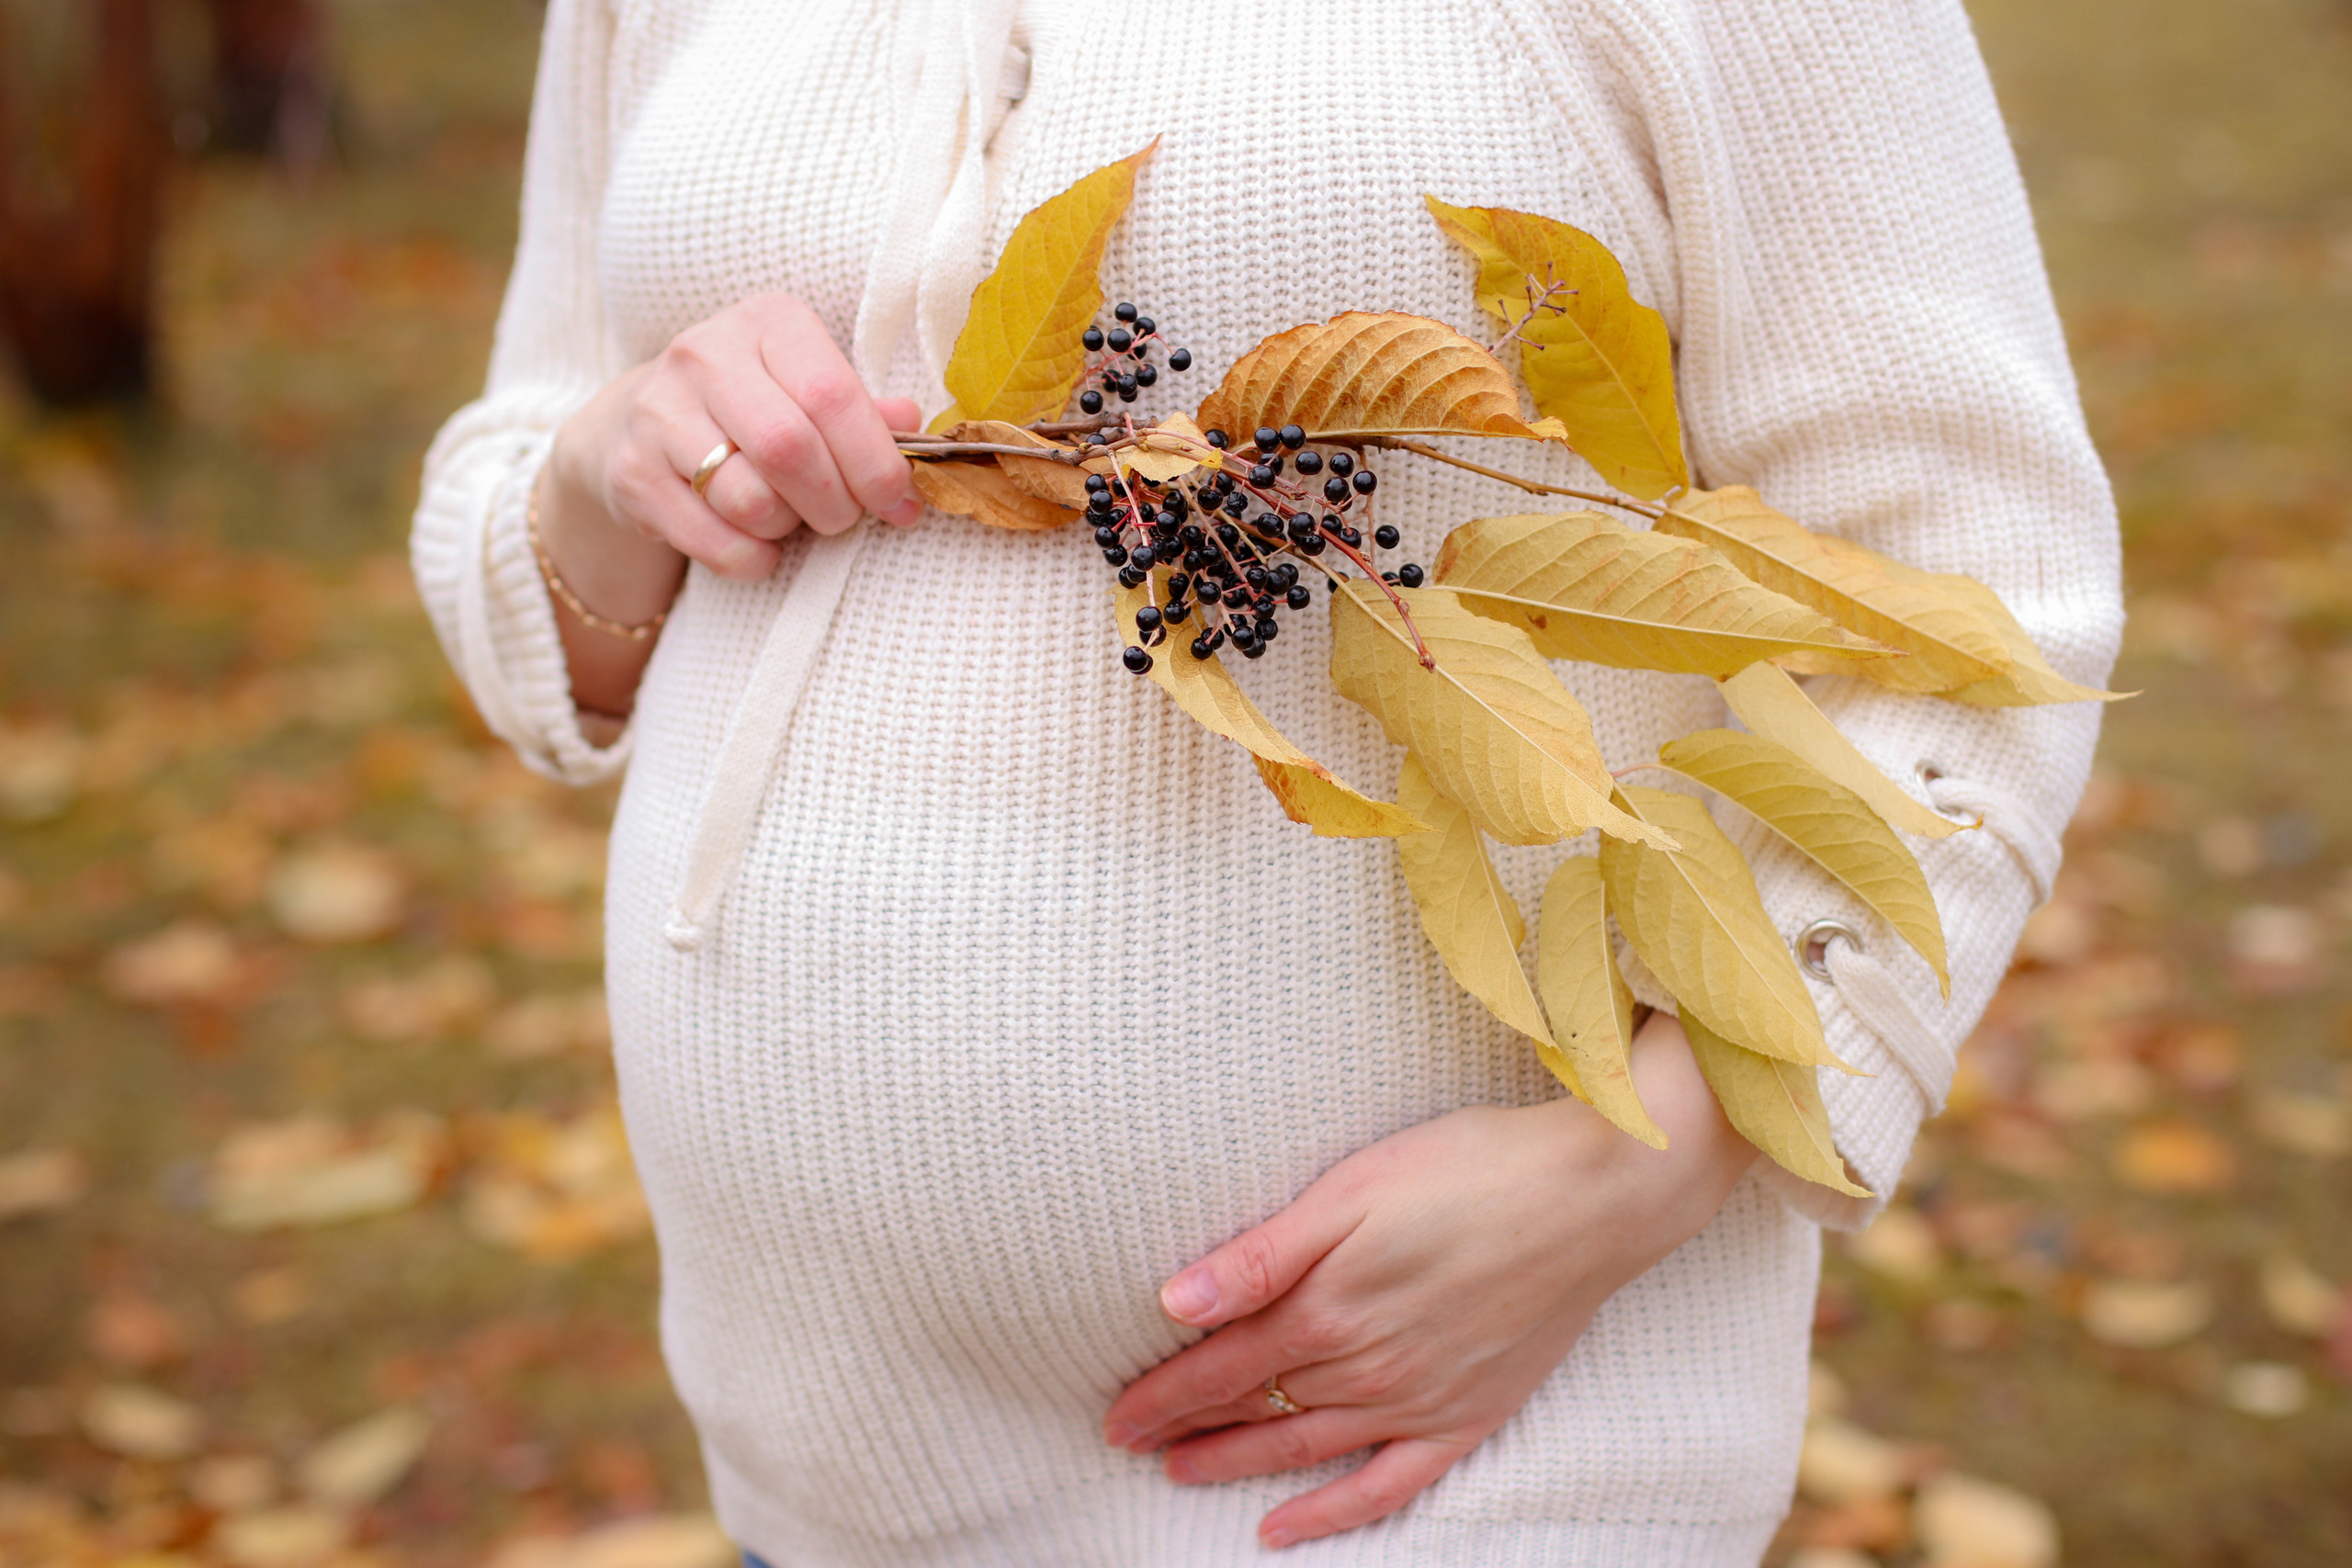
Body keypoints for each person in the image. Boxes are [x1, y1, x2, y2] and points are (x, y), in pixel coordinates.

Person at [413, 1, 2120, 1562]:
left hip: (1450, 1483)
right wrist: (608, 463)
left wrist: (1637, 1175)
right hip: (824, 1469)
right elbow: (539, 573)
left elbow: (1985, 597)